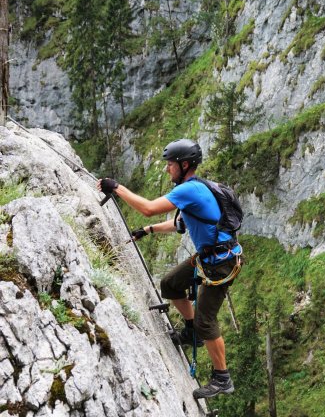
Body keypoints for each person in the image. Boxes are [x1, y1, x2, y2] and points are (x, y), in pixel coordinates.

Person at [97, 138, 242, 399]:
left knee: (206, 320)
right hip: (210, 257)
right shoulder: (195, 189)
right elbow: (179, 225)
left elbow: (149, 209)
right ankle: (192, 333)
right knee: (170, 284)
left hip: (220, 264)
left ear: (184, 165)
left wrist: (116, 188)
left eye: (171, 165)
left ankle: (222, 378)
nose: (167, 169)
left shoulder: (189, 191)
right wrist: (148, 231)